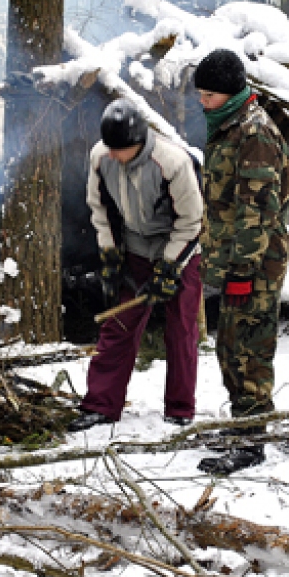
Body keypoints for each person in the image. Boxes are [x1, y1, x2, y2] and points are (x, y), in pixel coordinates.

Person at [67, 98, 204, 432]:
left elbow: (191, 222)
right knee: (118, 325)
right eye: (110, 147)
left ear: (139, 142)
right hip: (135, 249)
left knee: (181, 328)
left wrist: (169, 268)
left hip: (179, 248)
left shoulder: (172, 162)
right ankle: (101, 404)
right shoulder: (102, 157)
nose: (113, 154)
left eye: (120, 149)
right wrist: (111, 255)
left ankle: (180, 409)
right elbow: (99, 209)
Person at [193, 49, 289, 476]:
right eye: (200, 93)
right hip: (237, 259)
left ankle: (252, 441)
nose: (202, 101)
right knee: (230, 346)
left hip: (255, 264)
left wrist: (242, 269)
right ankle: (243, 425)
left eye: (209, 94)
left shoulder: (254, 133)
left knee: (249, 350)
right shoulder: (230, 126)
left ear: (231, 93)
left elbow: (256, 209)